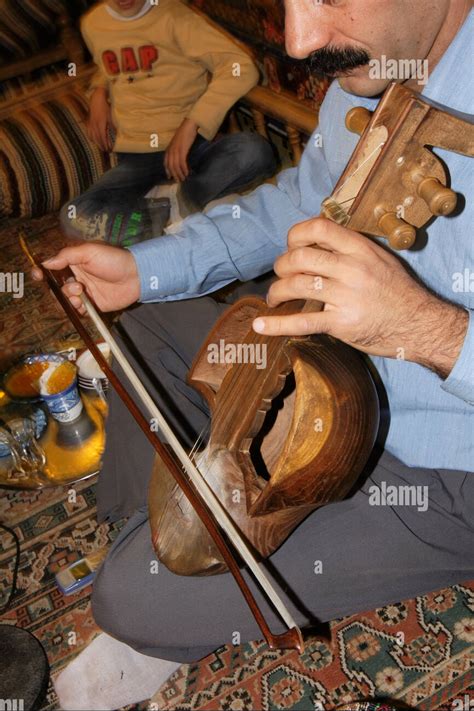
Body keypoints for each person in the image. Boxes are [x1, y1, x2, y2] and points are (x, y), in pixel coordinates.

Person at [35, 0, 473, 670]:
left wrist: (426, 328)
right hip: (325, 359)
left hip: (443, 462)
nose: (300, 41)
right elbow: (301, 203)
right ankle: (149, 525)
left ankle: (161, 578)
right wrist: (141, 269)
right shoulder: (369, 61)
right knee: (140, 317)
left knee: (128, 596)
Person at [60, 0, 276, 246]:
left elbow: (241, 67)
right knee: (74, 216)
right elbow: (108, 61)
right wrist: (98, 91)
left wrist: (192, 123)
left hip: (193, 148)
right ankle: (178, 209)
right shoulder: (93, 23)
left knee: (254, 150)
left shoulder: (175, 17)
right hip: (137, 159)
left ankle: (167, 210)